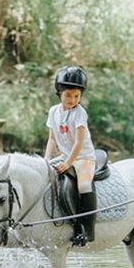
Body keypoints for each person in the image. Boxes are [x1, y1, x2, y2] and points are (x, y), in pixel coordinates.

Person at [45, 65, 97, 246]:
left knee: (83, 185)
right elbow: (52, 138)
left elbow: (79, 143)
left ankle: (87, 230)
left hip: (83, 157)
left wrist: (68, 163)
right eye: (68, 95)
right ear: (59, 93)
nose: (72, 100)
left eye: (77, 96)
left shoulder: (80, 113)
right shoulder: (53, 112)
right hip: (65, 156)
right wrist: (46, 160)